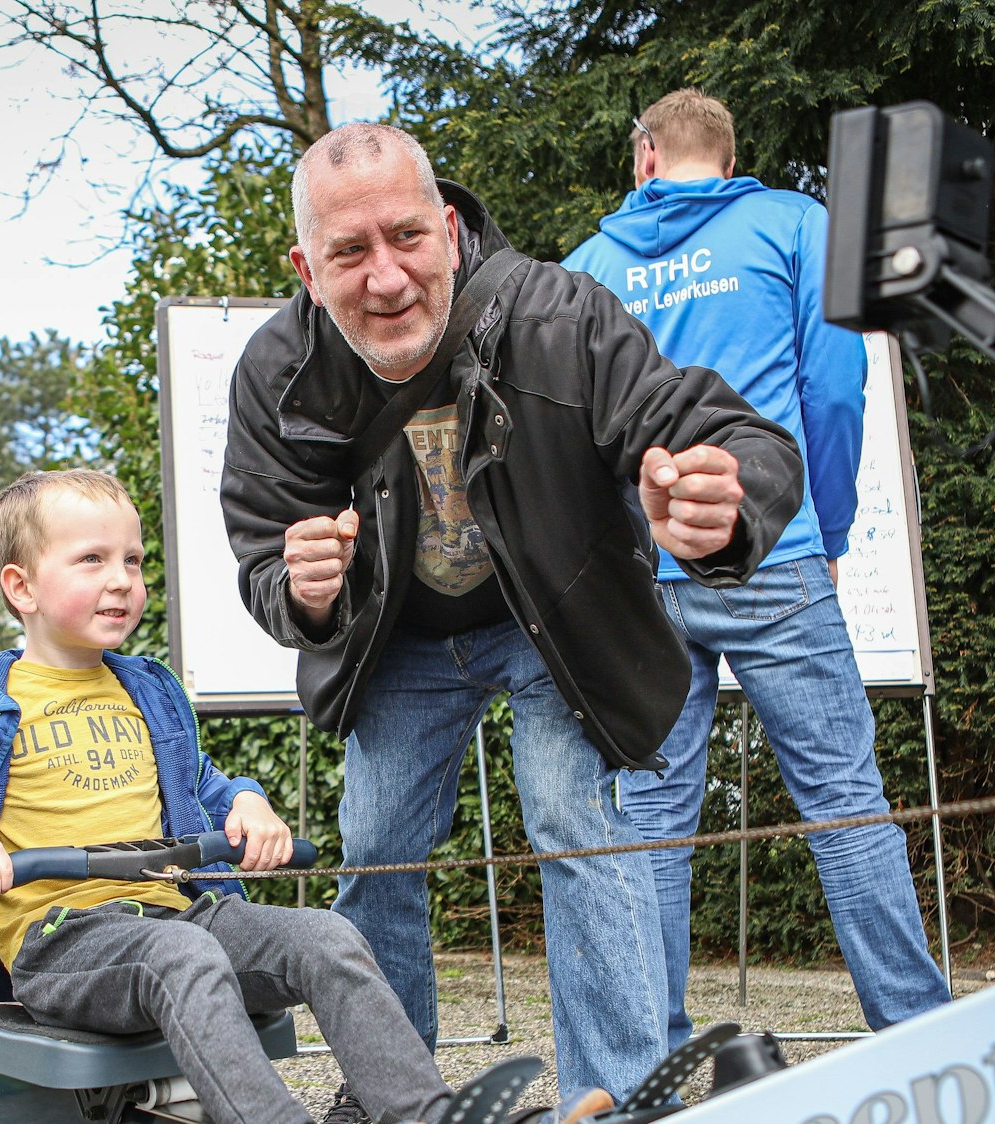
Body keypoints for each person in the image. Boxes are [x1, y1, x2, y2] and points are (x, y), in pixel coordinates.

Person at [219, 122, 806, 1112]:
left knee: (580, 827)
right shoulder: (275, 370)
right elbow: (262, 550)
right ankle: (393, 1095)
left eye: (408, 236)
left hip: (556, 621)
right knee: (375, 849)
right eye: (349, 252)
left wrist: (726, 498)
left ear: (449, 230)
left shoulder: (558, 314)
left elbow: (727, 433)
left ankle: (617, 1098)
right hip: (398, 640)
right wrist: (305, 591)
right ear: (307, 270)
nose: (388, 277)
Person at [0, 470, 594, 1124]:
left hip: (184, 914)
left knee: (327, 936)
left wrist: (246, 802)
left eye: (133, 560)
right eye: (92, 560)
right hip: (65, 942)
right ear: (21, 587)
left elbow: (203, 783)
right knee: (182, 954)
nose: (123, 580)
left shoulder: (147, 690)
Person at [563, 88, 951, 1051]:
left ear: (644, 157)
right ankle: (920, 1039)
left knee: (651, 821)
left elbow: (570, 439)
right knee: (844, 802)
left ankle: (649, 1057)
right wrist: (827, 524)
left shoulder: (587, 268)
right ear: (729, 160)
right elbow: (835, 385)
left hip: (644, 573)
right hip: (770, 546)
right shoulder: (792, 225)